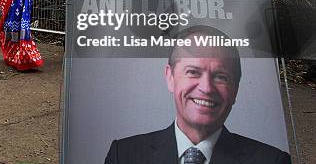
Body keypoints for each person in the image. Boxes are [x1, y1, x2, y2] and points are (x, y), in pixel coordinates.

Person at [104, 26, 291, 164]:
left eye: (221, 76)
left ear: (236, 89)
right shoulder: (124, 155)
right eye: (193, 72)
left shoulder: (273, 160)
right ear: (170, 77)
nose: (206, 88)